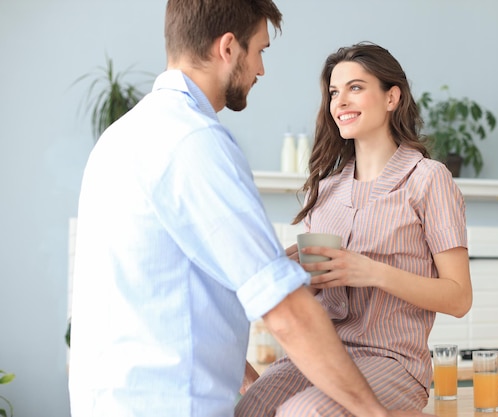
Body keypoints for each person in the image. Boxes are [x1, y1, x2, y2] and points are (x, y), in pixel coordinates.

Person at [68, 1, 432, 416]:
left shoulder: (120, 138)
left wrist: (260, 392)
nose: (261, 69)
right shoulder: (195, 142)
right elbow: (287, 313)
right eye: (259, 50)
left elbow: (166, 293)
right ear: (228, 48)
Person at [236, 42, 473, 416]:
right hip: (319, 354)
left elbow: (459, 298)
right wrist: (299, 277)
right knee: (249, 408)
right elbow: (315, 297)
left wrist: (370, 271)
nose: (340, 101)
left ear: (392, 97)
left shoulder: (427, 180)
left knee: (304, 413)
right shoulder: (325, 190)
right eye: (334, 92)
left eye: (355, 88)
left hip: (392, 363)